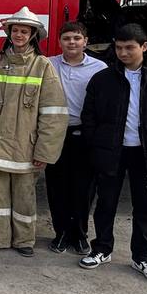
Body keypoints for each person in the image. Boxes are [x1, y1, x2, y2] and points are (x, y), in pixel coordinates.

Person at [79, 23, 147, 285]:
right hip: (112, 151)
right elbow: (88, 115)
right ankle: (102, 249)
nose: (123, 53)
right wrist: (95, 144)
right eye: (118, 47)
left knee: (145, 208)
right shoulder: (103, 79)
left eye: (129, 47)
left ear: (144, 47)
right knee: (105, 204)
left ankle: (143, 258)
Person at [0, 7, 68, 255]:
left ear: (33, 35)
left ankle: (24, 241)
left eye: (25, 31)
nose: (19, 35)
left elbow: (53, 113)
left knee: (24, 198)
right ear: (9, 33)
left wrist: (44, 151)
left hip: (26, 147)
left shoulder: (42, 66)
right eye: (16, 31)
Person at [45, 21, 107, 254]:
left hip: (84, 135)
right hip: (55, 134)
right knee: (56, 187)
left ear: (85, 41)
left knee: (84, 189)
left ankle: (80, 235)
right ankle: (60, 233)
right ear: (59, 42)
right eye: (67, 38)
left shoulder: (99, 68)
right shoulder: (48, 64)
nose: (72, 42)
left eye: (77, 38)